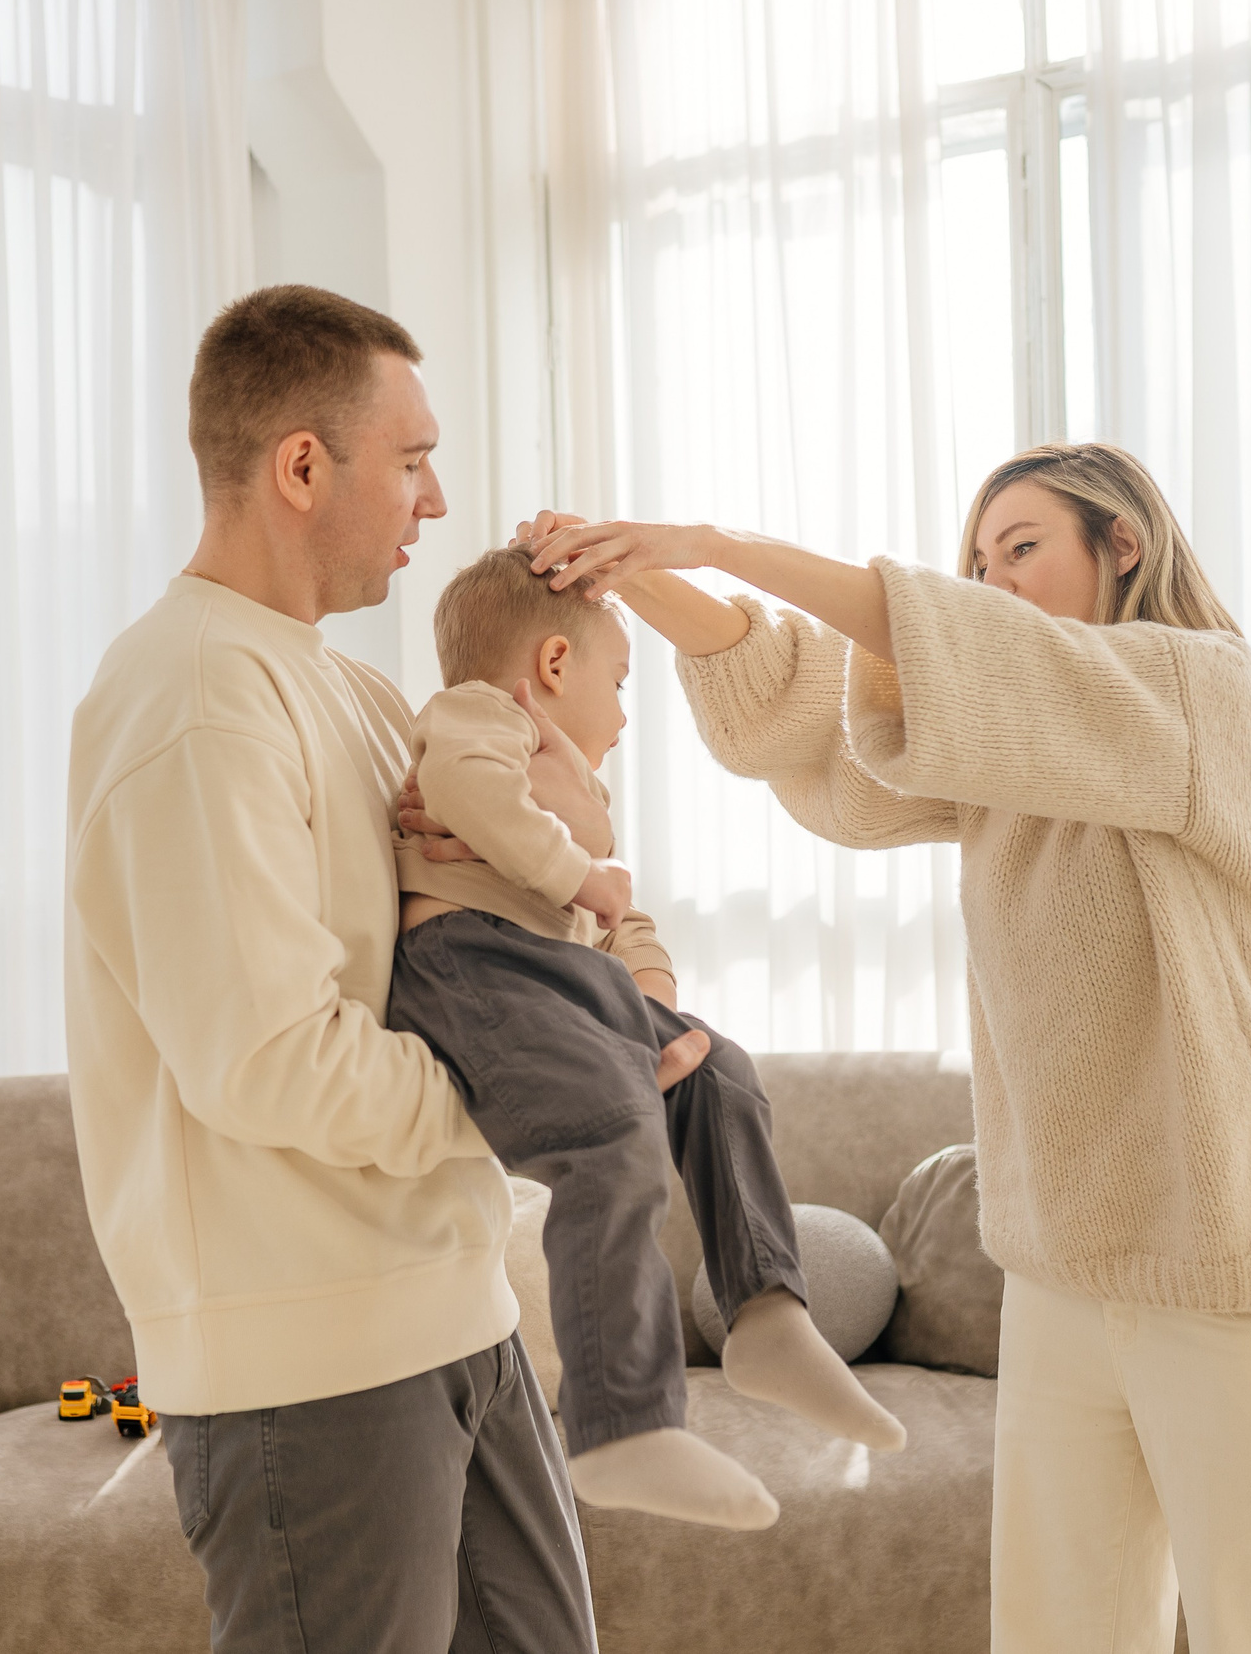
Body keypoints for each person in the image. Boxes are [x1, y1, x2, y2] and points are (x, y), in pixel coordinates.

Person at [515, 443, 1251, 1654]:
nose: (989, 582)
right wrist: (633, 575)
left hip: (1232, 1260)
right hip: (1066, 1268)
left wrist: (704, 541)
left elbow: (969, 656)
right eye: (975, 562)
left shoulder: (1197, 689)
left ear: (1121, 543)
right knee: (1057, 1627)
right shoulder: (996, 762)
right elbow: (813, 714)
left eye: (1020, 549)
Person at [65, 284, 705, 1654]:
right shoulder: (191, 697)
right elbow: (272, 1059)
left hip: (451, 1315)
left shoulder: (353, 695)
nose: (436, 499)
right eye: (410, 460)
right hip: (310, 1360)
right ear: (303, 465)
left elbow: (489, 935)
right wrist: (557, 1091)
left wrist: (604, 979)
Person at [385, 545, 906, 1533]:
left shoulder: (568, 783)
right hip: (472, 964)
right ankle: (619, 1425)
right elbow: (468, 795)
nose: (623, 716)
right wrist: (576, 875)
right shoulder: (482, 718)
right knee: (608, 1139)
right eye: (617, 684)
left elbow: (619, 922)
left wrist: (647, 992)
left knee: (721, 1073)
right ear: (549, 667)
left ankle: (766, 1314)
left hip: (556, 973)